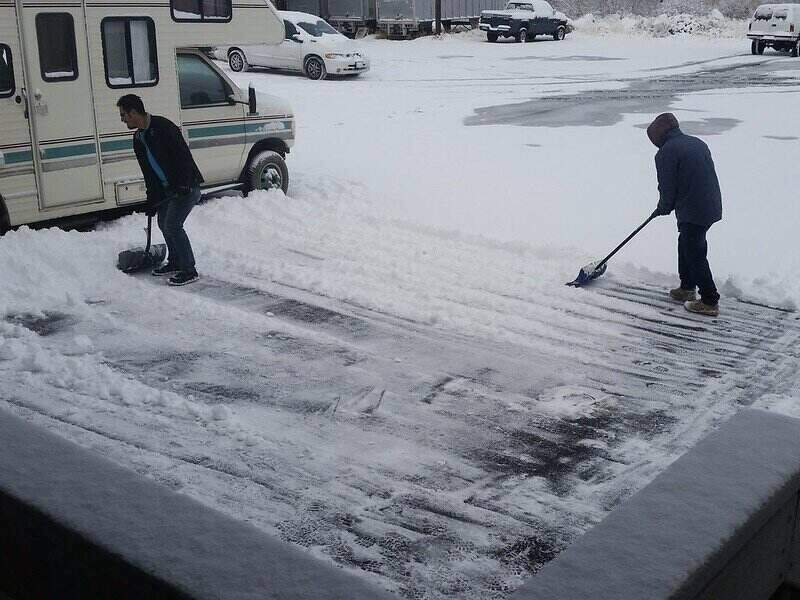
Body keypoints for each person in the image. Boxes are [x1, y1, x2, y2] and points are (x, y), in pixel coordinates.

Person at [117, 94, 204, 286]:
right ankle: (175, 261)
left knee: (173, 225)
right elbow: (148, 171)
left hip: (187, 186)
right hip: (167, 190)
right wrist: (151, 199)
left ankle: (189, 269)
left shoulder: (163, 127)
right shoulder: (139, 137)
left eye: (124, 115)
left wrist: (184, 183)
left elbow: (183, 156)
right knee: (163, 223)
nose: (122, 119)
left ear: (133, 112)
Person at [647, 112, 722, 317]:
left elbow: (668, 188)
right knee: (687, 244)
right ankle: (687, 287)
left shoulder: (666, 153)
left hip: (694, 208)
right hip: (710, 204)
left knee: (694, 252)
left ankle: (709, 300)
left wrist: (663, 207)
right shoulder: (696, 142)